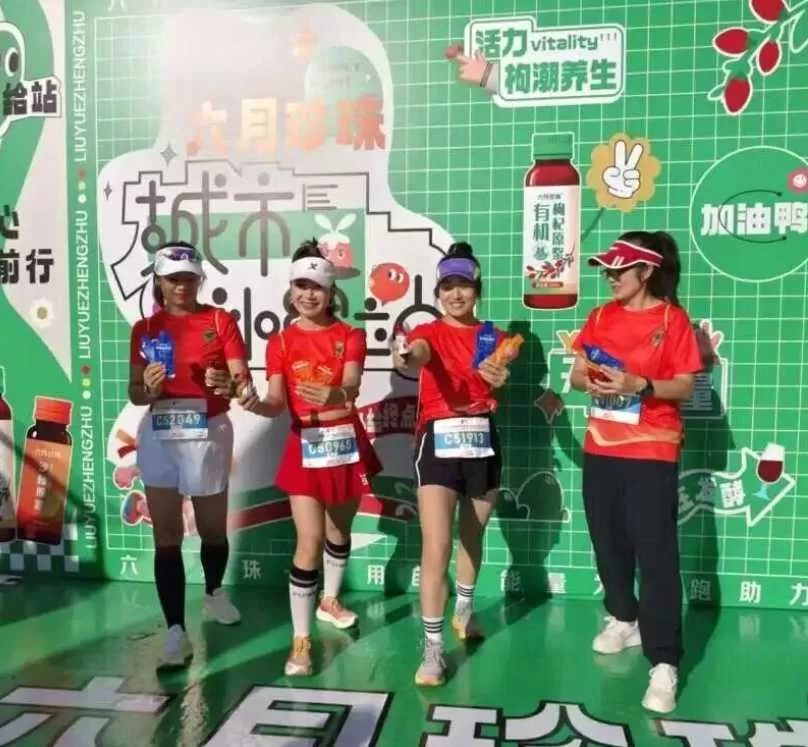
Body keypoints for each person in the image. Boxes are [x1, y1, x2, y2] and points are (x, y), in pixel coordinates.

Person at [569, 231, 702, 714]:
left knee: (656, 552)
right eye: (607, 269)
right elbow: (576, 374)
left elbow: (685, 385)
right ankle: (624, 618)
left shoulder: (672, 320)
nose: (610, 277)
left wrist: (638, 384)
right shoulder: (600, 317)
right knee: (607, 540)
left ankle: (664, 661)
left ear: (646, 271)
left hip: (652, 448)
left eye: (619, 269)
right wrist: (592, 383)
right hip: (601, 443)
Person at [243, 239, 381, 677]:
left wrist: (335, 394)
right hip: (304, 448)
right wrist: (253, 404)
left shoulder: (350, 336)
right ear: (291, 289)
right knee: (309, 540)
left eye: (317, 286)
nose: (308, 294)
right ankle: (300, 639)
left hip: (344, 445)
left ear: (331, 290)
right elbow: (275, 402)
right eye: (301, 285)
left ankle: (330, 600)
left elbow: (352, 385)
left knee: (340, 530)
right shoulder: (281, 342)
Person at [128, 241, 258, 670]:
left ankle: (214, 593)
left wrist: (231, 385)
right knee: (166, 534)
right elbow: (135, 392)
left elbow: (241, 381)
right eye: (172, 279)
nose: (181, 286)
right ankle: (175, 632)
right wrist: (148, 388)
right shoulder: (145, 328)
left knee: (211, 529)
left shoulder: (219, 320)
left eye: (188, 278)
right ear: (159, 281)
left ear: (199, 279)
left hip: (208, 430)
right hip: (160, 431)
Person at [391, 242, 517, 687]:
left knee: (472, 536)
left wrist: (502, 376)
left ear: (477, 290)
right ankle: (432, 649)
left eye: (464, 285)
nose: (456, 293)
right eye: (448, 286)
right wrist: (406, 355)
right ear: (438, 291)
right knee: (437, 546)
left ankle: (464, 609)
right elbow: (418, 354)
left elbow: (499, 376)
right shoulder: (429, 331)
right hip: (438, 442)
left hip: (482, 440)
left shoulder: (494, 336)